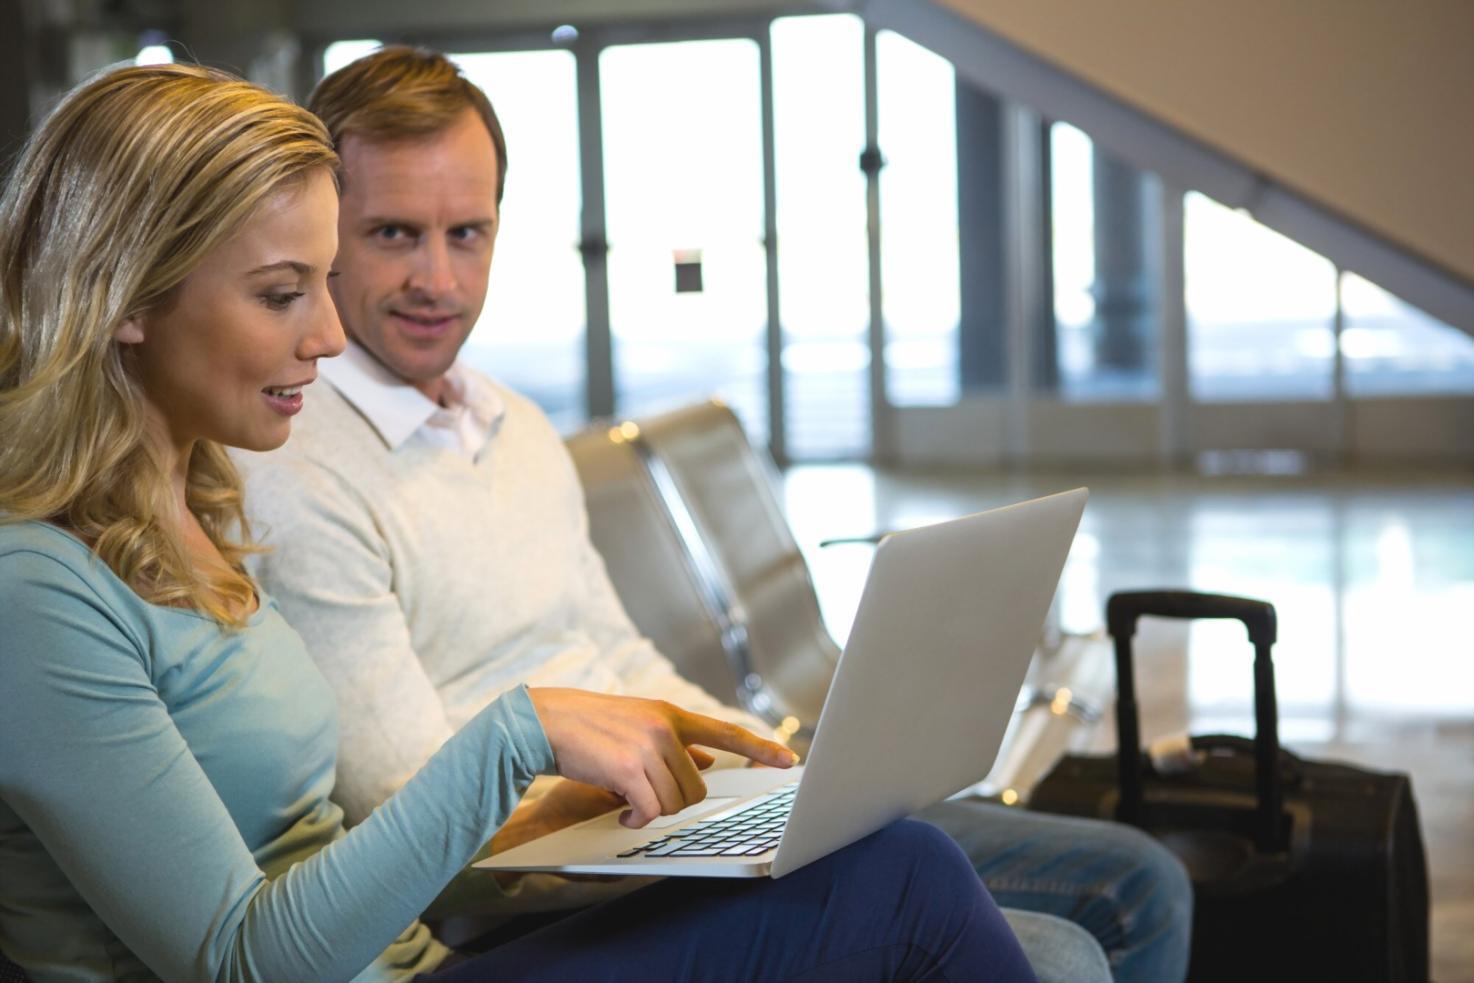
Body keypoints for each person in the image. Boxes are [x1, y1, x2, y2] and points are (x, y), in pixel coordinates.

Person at [0, 62, 1040, 982]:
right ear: (124, 298)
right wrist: (521, 731)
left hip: (422, 957)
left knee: (892, 863)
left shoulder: (192, 506)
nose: (325, 334)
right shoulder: (35, 592)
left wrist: (685, 811)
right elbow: (242, 958)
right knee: (908, 880)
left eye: (322, 283)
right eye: (281, 293)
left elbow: (319, 851)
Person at [237, 47, 1187, 981]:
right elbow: (408, 804)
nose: (437, 280)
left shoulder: (510, 424)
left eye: (467, 233)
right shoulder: (302, 465)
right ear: (326, 234)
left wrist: (767, 764)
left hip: (657, 816)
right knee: (1054, 943)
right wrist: (677, 793)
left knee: (1139, 880)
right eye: (394, 234)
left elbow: (614, 651)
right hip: (546, 876)